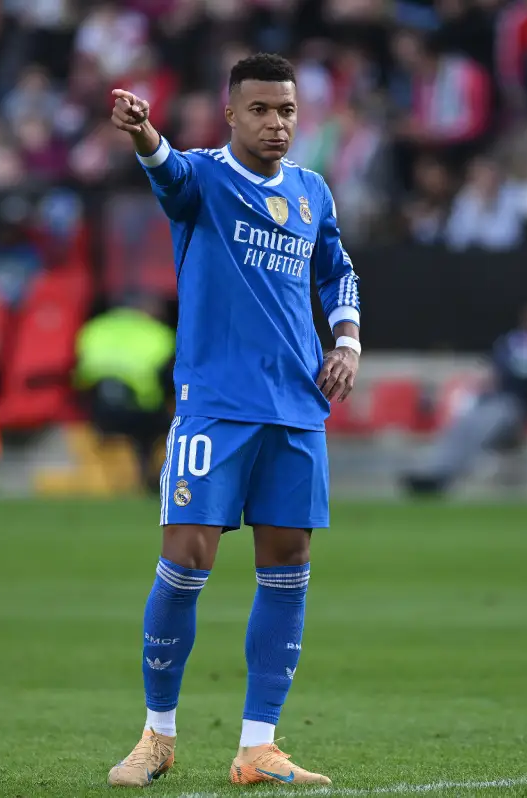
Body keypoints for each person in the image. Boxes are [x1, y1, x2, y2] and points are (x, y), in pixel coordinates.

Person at [105, 53, 362, 788]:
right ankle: (157, 735)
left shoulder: (313, 191)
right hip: (214, 408)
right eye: (261, 110)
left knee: (287, 571)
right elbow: (167, 173)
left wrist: (346, 341)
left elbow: (337, 270)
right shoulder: (205, 179)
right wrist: (144, 133)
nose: (276, 124)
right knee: (186, 562)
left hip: (295, 410)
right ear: (231, 113)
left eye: (286, 111)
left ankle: (258, 747)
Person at [403, 302, 527, 495]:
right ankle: (431, 468)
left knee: (482, 427)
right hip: (493, 401)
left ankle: (443, 475)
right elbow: (493, 369)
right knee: (461, 424)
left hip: (518, 408)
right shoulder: (510, 342)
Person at [73, 296, 175, 493]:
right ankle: (152, 476)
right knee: (169, 424)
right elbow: (170, 379)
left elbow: (78, 372)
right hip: (141, 411)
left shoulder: (96, 328)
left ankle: (141, 475)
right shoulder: (158, 333)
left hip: (98, 410)